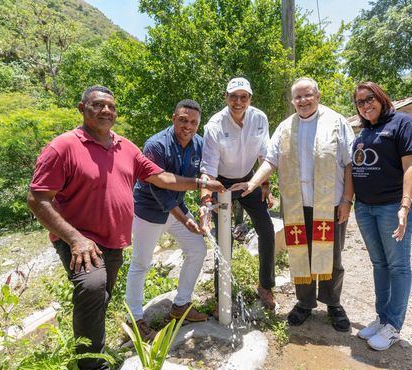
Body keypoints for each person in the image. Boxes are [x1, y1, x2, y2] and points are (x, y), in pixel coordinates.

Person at [27, 86, 224, 370]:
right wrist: (74, 238)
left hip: (113, 240)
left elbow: (164, 179)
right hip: (83, 239)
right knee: (93, 288)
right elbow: (37, 198)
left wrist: (203, 185)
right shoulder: (63, 146)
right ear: (82, 108)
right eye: (98, 105)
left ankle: (97, 345)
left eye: (111, 106)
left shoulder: (126, 147)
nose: (105, 111)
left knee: (101, 296)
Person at [230, 77, 354, 332]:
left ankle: (333, 303)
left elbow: (350, 163)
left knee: (332, 256)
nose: (303, 101)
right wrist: (252, 183)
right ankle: (304, 303)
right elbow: (271, 160)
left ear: (318, 96)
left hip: (329, 203)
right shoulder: (286, 127)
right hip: (297, 205)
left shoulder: (336, 122)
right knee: (300, 254)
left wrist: (346, 201)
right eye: (298, 97)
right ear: (292, 100)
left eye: (307, 95)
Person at [125, 99, 209, 336]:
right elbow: (158, 187)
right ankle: (135, 318)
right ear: (173, 118)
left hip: (178, 207)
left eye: (193, 122)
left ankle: (181, 305)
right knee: (141, 264)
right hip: (149, 211)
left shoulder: (200, 144)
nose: (188, 126)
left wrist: (205, 206)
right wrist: (185, 219)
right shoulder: (156, 145)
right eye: (183, 120)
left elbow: (205, 173)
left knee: (198, 250)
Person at [351, 81, 412, 351]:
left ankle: (393, 326)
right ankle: (381, 319)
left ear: (381, 97)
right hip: (365, 207)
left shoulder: (402, 123)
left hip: (392, 205)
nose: (366, 105)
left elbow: (410, 167)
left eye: (370, 99)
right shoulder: (364, 131)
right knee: (379, 264)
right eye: (360, 102)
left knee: (398, 265)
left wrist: (404, 206)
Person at [199, 77, 277, 310]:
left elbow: (265, 154)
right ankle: (221, 294)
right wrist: (206, 200)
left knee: (267, 230)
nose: (238, 101)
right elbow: (208, 169)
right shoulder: (215, 125)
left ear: (250, 99)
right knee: (224, 239)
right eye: (233, 96)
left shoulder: (259, 118)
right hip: (220, 182)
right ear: (226, 97)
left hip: (249, 179)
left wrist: (265, 186)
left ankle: (265, 285)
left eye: (243, 97)